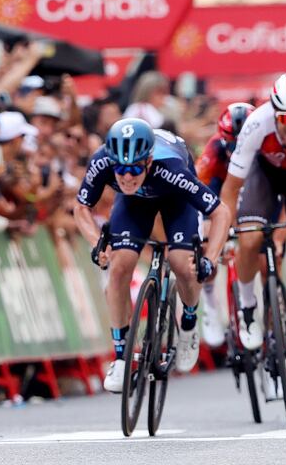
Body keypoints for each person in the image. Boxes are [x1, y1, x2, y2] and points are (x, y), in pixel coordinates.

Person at [74, 118, 231, 393]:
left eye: (134, 168)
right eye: (120, 169)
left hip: (175, 200)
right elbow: (81, 207)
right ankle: (122, 358)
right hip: (133, 205)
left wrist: (210, 258)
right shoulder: (102, 161)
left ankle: (190, 322)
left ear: (147, 161)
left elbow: (221, 213)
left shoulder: (171, 168)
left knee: (182, 263)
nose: (126, 177)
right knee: (120, 265)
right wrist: (97, 242)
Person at [217, 74, 286, 399]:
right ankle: (248, 307)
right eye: (285, 118)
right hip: (264, 177)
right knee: (249, 239)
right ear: (273, 112)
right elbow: (231, 188)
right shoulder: (256, 124)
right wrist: (222, 233)